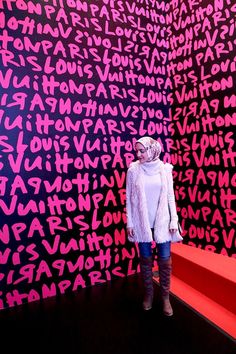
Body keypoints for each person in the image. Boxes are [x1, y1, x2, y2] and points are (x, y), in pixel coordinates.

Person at [126, 136, 182, 316]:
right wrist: (130, 222)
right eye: (137, 151)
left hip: (162, 221)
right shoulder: (134, 170)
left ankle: (165, 297)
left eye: (142, 150)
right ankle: (149, 295)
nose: (138, 154)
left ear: (152, 150)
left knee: (165, 262)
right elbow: (128, 197)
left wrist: (174, 220)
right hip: (142, 222)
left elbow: (170, 197)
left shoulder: (164, 169)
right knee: (145, 260)